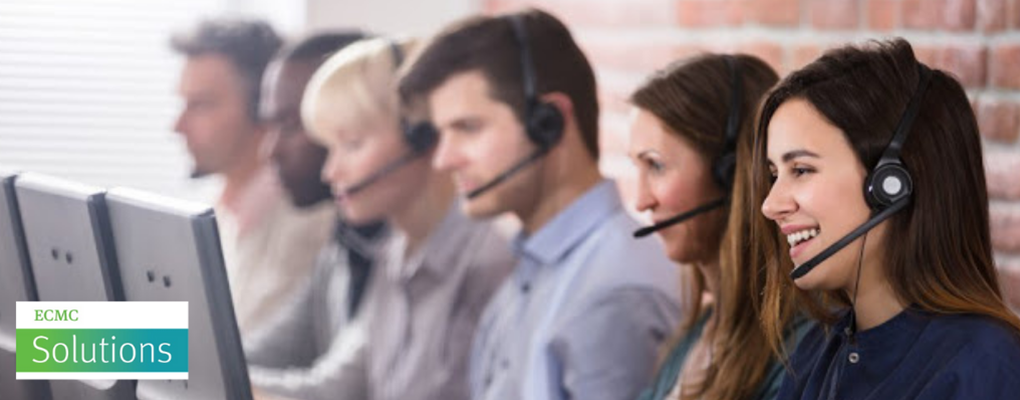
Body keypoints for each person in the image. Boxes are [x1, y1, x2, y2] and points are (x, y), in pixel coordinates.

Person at [399, 9, 682, 400]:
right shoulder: (537, 267)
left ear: (549, 121)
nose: (443, 159)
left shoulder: (612, 295)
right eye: (441, 134)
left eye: (467, 128)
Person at [753, 38, 1020, 400]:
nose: (770, 205)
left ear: (892, 184)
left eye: (801, 169)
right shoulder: (817, 350)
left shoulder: (984, 366)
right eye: (774, 174)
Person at [251, 37, 514, 400]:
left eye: (353, 144)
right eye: (330, 147)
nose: (331, 172)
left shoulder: (488, 264)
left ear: (422, 137)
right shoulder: (391, 251)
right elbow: (330, 387)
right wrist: (147, 350)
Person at [627, 54, 809, 400]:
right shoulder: (695, 336)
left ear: (729, 173)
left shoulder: (800, 351)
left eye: (656, 165)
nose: (641, 200)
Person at [242, 31, 391, 391]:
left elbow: (331, 393)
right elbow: (246, 353)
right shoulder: (345, 242)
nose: (270, 151)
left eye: (291, 125)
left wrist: (90, 346)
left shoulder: (405, 250)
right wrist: (87, 342)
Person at [171, 19, 334, 335]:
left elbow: (226, 350)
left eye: (201, 105)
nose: (178, 125)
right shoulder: (214, 210)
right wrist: (53, 335)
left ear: (264, 108)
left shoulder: (310, 226)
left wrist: (57, 344)